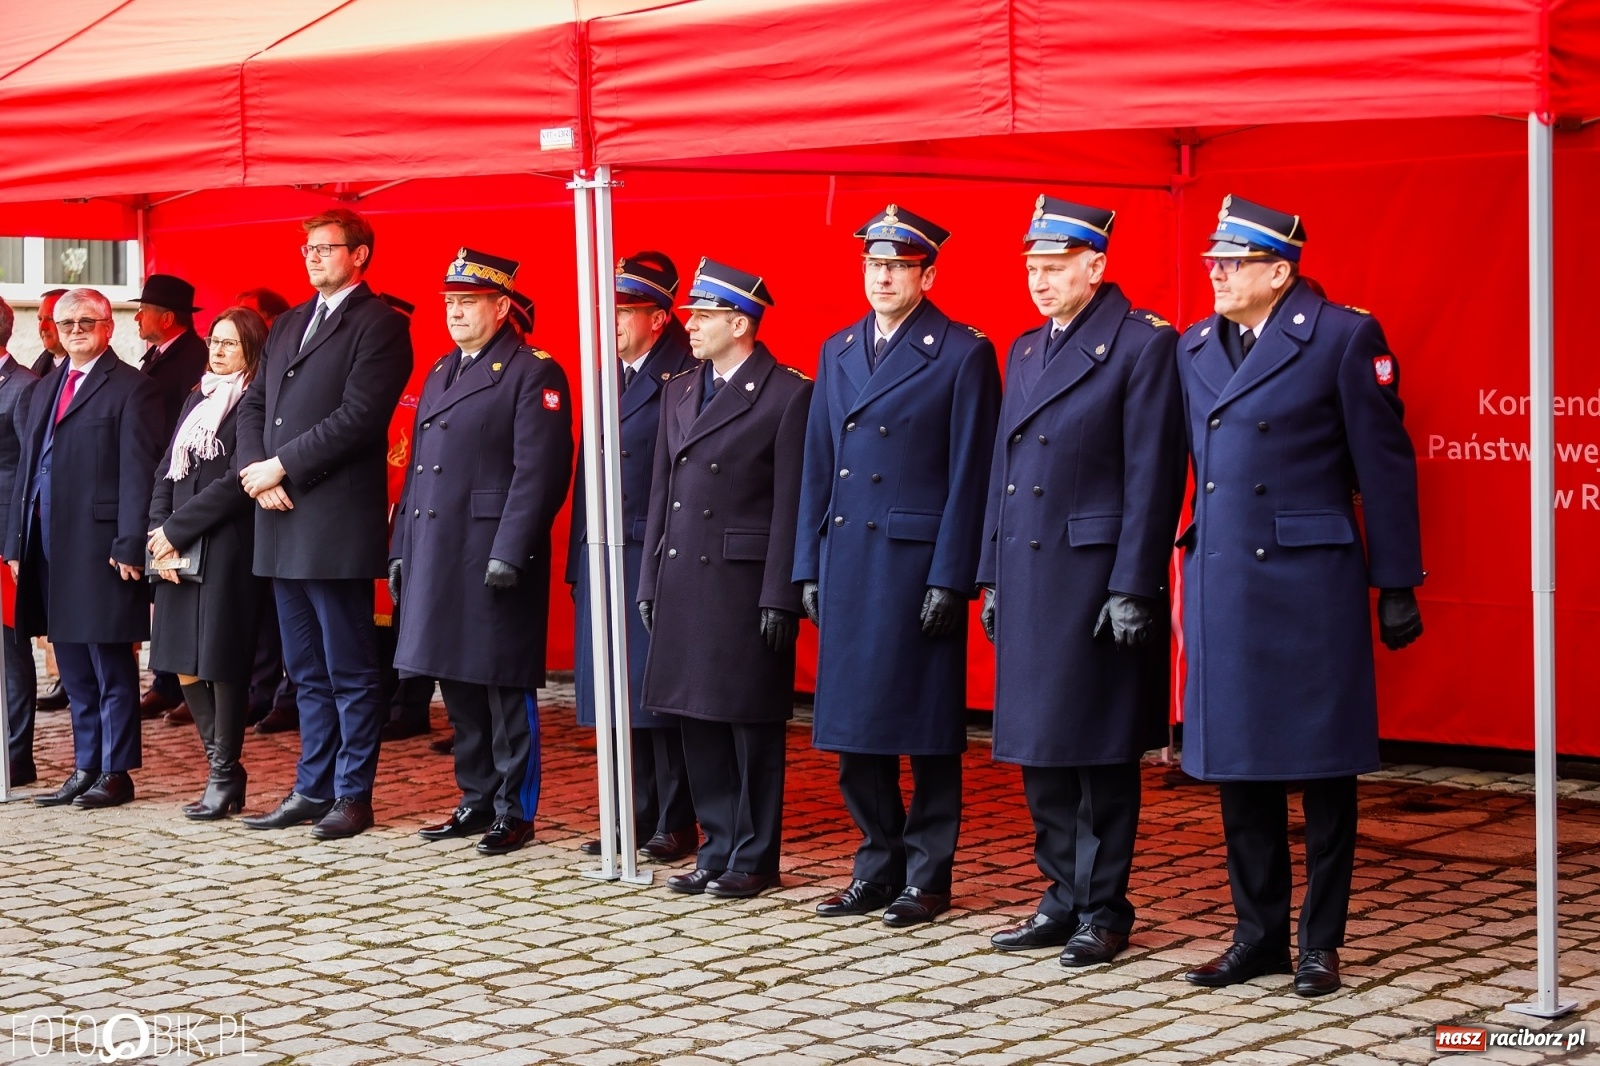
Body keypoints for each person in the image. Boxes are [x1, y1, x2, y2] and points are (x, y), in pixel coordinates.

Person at [1176, 195, 1425, 997]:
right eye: (1213, 260)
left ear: (1279, 271)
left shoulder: (1343, 336)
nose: (1215, 273)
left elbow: (1384, 466)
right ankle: (1258, 935)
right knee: (1240, 768)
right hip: (1225, 581)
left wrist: (1396, 582)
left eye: (1233, 262)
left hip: (1307, 584)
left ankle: (1321, 941)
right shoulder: (1192, 347)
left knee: (1322, 771)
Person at [977, 197, 1186, 965]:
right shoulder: (1026, 348)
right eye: (1031, 266)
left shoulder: (1140, 345)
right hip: (1031, 575)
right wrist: (990, 573)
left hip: (1096, 582)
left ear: (1095, 267)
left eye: (1055, 265)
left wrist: (1133, 584)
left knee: (1098, 754)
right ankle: (1060, 896)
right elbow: (1005, 468)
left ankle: (1104, 908)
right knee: (1041, 749)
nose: (1039, 279)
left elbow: (1153, 474)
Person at [794, 204, 1000, 927]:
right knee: (853, 730)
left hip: (914, 566)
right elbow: (818, 465)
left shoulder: (961, 351)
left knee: (924, 730)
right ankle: (876, 863)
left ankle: (928, 874)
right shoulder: (837, 348)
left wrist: (953, 574)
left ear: (928, 273)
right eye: (873, 265)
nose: (881, 276)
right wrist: (806, 564)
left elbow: (972, 472)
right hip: (849, 557)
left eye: (897, 266)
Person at [235, 207, 413, 840]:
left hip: (333, 519)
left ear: (359, 254)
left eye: (325, 247)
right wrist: (257, 469)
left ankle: (352, 792)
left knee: (350, 668)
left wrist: (282, 466)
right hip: (279, 514)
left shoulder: (380, 326)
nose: (311, 256)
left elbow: (360, 418)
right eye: (306, 247)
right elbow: (253, 402)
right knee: (304, 668)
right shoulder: (285, 324)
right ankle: (312, 786)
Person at [637, 258, 811, 900]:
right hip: (684, 571)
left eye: (704, 316)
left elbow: (794, 503)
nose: (692, 325)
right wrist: (650, 574)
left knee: (748, 723)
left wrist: (781, 593)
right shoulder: (679, 388)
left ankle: (756, 854)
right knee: (695, 716)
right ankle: (716, 843)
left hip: (742, 581)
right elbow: (662, 490)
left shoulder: (788, 392)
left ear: (741, 324)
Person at [392, 248, 572, 856]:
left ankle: (512, 810)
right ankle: (473, 798)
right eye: (450, 302)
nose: (456, 312)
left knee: (500, 684)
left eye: (467, 302)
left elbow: (539, 471)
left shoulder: (532, 371)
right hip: (439, 550)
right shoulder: (443, 368)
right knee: (456, 682)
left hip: (491, 552)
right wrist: (401, 546)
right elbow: (419, 469)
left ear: (502, 307)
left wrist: (512, 549)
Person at [5, 288, 162, 808]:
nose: (75, 329)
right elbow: (29, 468)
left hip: (101, 548)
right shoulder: (45, 386)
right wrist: (14, 541)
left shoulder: (133, 388)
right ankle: (84, 765)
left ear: (108, 326)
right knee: (71, 665)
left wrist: (130, 542)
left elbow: (139, 472)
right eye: (66, 321)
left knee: (109, 663)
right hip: (47, 544)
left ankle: (116, 772)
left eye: (87, 321)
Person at [570, 252, 698, 863]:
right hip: (605, 549)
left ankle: (675, 818)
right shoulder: (606, 373)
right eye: (606, 312)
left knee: (657, 695)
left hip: (653, 549)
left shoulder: (685, 372)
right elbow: (585, 473)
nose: (610, 323)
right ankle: (631, 809)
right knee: (615, 694)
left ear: (660, 318)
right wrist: (578, 558)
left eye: (624, 313)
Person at [147, 306, 269, 819]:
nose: (216, 351)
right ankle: (221, 766)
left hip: (225, 545)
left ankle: (224, 773)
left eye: (229, 345)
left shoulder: (252, 401)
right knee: (181, 659)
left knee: (218, 660)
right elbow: (166, 467)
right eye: (214, 341)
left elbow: (237, 481)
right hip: (175, 544)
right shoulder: (198, 394)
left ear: (251, 352)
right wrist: (158, 531)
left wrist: (177, 531)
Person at [133, 273, 211, 725]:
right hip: (159, 484)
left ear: (166, 317)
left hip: (184, 490)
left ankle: (185, 681)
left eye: (144, 309)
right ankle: (166, 679)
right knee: (161, 589)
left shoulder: (192, 359)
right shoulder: (157, 355)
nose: (138, 317)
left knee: (181, 587)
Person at [0, 298, 40, 785]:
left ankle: (16, 756)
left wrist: (15, 544)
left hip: (4, 537)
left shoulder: (25, 387)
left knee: (10, 648)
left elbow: (27, 472)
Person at [30, 290, 69, 715]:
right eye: (42, 319)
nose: (45, 327)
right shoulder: (42, 375)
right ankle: (60, 675)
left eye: (50, 319)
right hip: (43, 518)